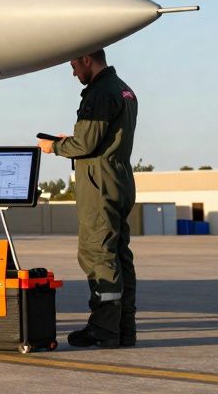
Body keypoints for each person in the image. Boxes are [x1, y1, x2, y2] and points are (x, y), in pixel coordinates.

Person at [38, 48, 138, 348]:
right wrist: (72, 141)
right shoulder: (123, 89)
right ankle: (123, 329)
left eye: (73, 64)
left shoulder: (99, 92)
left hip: (99, 183)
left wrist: (53, 147)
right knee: (119, 254)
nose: (73, 72)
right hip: (119, 178)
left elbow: (87, 143)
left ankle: (103, 330)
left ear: (86, 59)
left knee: (98, 254)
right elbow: (99, 138)